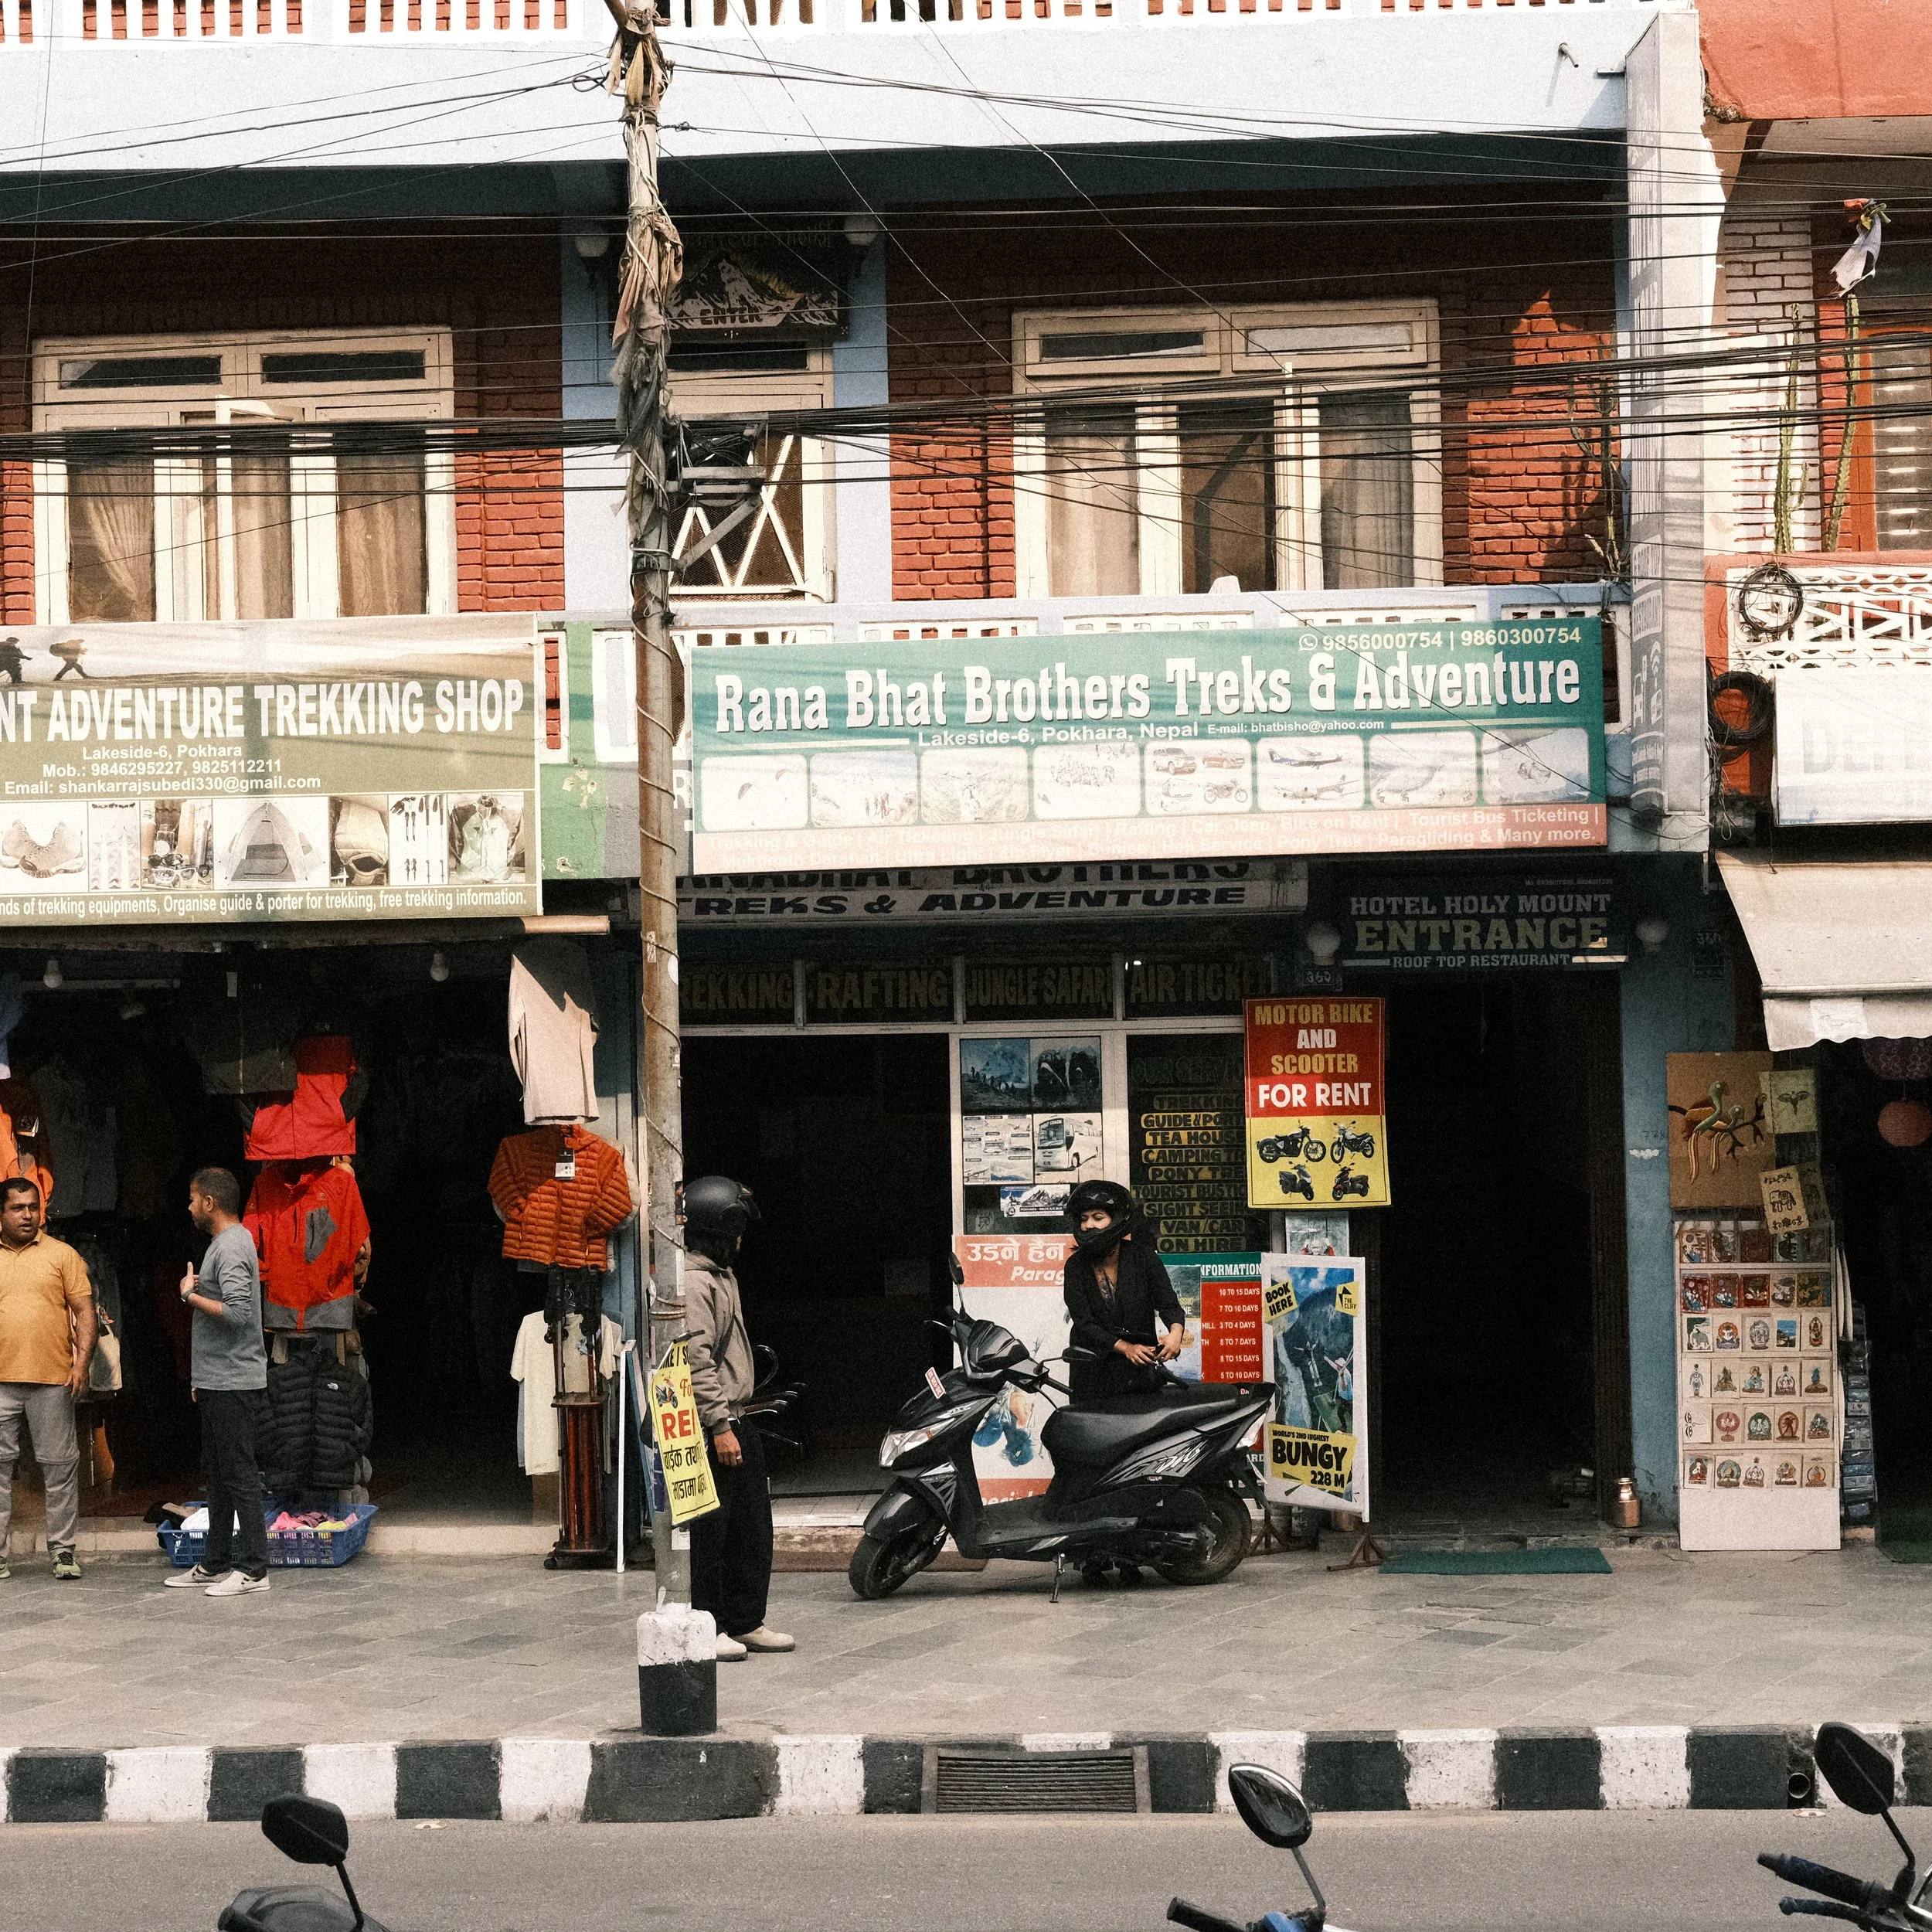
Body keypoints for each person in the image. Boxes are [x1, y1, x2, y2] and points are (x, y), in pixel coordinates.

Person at [682, 1174, 792, 1662]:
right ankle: (711, 1624)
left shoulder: (720, 1277)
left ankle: (746, 1621)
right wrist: (721, 1426)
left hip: (738, 1414)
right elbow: (695, 1360)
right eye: (736, 1232)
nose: (742, 1241)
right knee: (714, 1529)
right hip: (714, 1423)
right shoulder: (691, 1283)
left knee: (752, 1525)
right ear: (717, 1233)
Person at [165, 1167, 271, 1597]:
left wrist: (189, 1294)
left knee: (239, 1474)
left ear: (209, 1202)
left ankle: (253, 1570)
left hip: (234, 1381)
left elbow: (239, 1313)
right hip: (217, 1380)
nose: (189, 1207)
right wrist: (201, 1378)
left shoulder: (230, 1246)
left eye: (193, 1199)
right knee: (218, 1474)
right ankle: (214, 1562)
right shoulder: (224, 1243)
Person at [0, 1175, 94, 1580]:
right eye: (17, 1208)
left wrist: (82, 1363)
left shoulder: (63, 1255)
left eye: (33, 1208)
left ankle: (63, 1552)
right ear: (1, 1213)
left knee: (59, 1468)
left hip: (53, 1379)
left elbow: (85, 1312)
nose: (27, 1215)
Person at [1062, 1179, 1186, 1406]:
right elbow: (1085, 1322)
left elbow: (1169, 1305)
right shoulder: (1075, 1266)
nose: (1089, 1225)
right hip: (1093, 1372)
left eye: (1098, 1218)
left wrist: (1175, 1334)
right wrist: (1125, 1347)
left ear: (1117, 1219)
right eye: (1084, 1219)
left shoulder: (1145, 1258)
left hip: (1139, 1373)